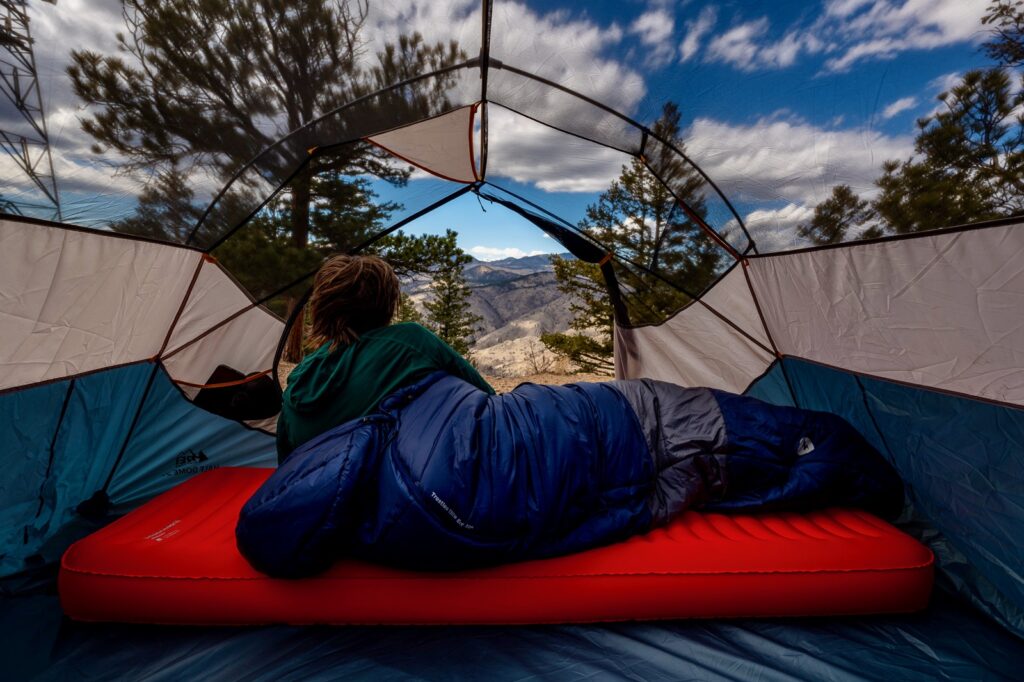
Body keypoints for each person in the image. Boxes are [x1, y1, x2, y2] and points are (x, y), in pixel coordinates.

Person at [238, 254, 903, 578]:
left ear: (324, 313)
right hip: (523, 447)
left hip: (424, 515)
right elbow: (487, 407)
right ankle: (852, 467)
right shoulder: (407, 343)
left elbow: (299, 476)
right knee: (675, 420)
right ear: (383, 307)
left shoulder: (297, 398)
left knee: (663, 462)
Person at [276, 254, 494, 462]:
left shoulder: (299, 379)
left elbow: (285, 464)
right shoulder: (411, 342)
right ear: (387, 304)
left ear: (321, 308)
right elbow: (489, 400)